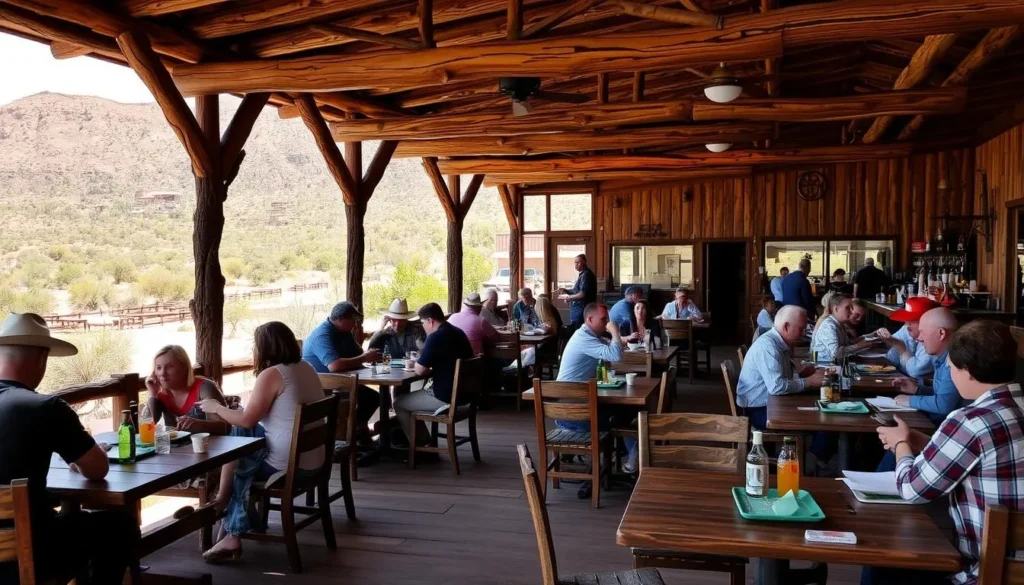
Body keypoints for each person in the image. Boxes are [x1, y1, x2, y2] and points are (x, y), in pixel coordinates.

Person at [869, 320, 1024, 585]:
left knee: (881, 562)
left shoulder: (969, 421)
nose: (950, 374)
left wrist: (900, 444)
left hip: (985, 573)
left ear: (969, 372)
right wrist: (918, 440)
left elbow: (911, 489)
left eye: (952, 368)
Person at [0, 313, 139, 584]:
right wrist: (78, 455)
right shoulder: (44, 407)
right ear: (42, 359)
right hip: (28, 553)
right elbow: (98, 469)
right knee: (118, 526)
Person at [201, 322, 326, 562]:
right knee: (240, 442)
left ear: (264, 348)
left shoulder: (273, 374)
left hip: (288, 468)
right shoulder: (306, 367)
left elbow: (248, 420)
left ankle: (229, 523)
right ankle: (234, 517)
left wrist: (215, 407)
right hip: (314, 460)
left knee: (238, 460)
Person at [556, 304, 633, 484]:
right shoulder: (583, 338)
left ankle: (621, 456)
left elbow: (607, 361)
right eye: (603, 320)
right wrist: (615, 330)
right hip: (571, 412)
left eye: (607, 320)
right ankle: (622, 461)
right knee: (623, 415)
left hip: (577, 404)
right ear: (589, 320)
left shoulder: (590, 336)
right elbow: (616, 356)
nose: (607, 323)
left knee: (624, 412)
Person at [394, 303, 474, 446]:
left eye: (423, 322)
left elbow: (420, 371)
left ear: (430, 321)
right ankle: (423, 443)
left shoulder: (435, 337)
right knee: (407, 398)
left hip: (444, 398)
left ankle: (421, 445)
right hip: (464, 396)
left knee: (399, 403)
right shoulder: (458, 332)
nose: (423, 326)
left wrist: (415, 364)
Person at [735, 306, 825, 430]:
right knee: (820, 420)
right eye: (801, 329)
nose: (804, 333)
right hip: (758, 410)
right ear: (786, 327)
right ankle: (814, 450)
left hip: (771, 403)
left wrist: (803, 374)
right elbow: (777, 387)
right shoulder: (768, 347)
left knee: (820, 406)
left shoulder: (780, 342)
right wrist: (809, 382)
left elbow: (782, 377)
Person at [301, 301, 380, 426]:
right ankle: (351, 431)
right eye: (353, 321)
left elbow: (357, 352)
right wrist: (364, 358)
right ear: (341, 320)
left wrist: (367, 356)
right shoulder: (322, 335)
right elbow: (334, 365)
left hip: (341, 381)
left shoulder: (343, 331)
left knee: (375, 397)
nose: (355, 325)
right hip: (324, 387)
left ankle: (355, 431)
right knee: (371, 398)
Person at [888, 307, 964, 424]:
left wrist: (911, 400)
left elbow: (944, 405)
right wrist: (917, 389)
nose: (919, 338)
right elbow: (943, 395)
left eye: (923, 332)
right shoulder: (942, 357)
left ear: (941, 333)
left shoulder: (954, 361)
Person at [145, 344, 229, 434]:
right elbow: (146, 429)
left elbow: (224, 429)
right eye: (158, 368)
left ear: (184, 368)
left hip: (210, 446)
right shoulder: (160, 394)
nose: (162, 373)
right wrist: (152, 395)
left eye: (169, 367)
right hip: (177, 448)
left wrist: (199, 424)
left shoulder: (204, 387)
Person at [878, 297, 938, 382]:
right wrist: (887, 339)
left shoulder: (932, 341)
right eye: (906, 320)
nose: (907, 326)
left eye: (912, 321)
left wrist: (902, 349)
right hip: (903, 382)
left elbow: (915, 371)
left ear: (926, 322)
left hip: (922, 389)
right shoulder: (907, 328)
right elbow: (890, 360)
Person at [809, 293, 873, 362]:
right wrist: (859, 345)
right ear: (836, 309)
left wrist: (869, 337)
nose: (852, 311)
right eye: (848, 308)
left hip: (834, 364)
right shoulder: (828, 326)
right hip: (824, 367)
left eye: (852, 308)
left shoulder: (839, 323)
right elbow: (836, 354)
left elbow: (847, 343)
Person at [448, 292, 501, 356]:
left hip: (453, 360)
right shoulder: (481, 320)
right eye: (480, 306)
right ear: (477, 307)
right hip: (474, 361)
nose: (481, 308)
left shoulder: (452, 317)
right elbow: (497, 338)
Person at [558, 254, 597, 328]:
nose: (576, 265)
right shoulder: (582, 274)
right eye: (575, 263)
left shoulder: (586, 275)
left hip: (583, 309)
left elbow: (582, 294)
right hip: (578, 309)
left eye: (578, 262)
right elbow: (576, 291)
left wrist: (570, 298)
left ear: (584, 262)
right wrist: (565, 290)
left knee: (578, 330)